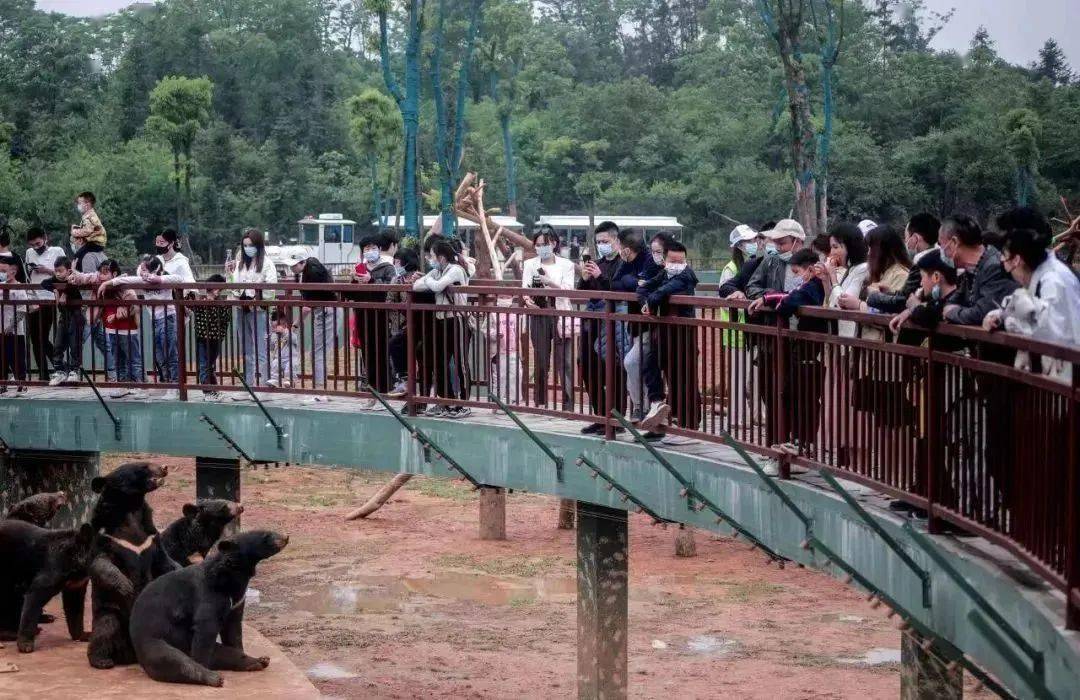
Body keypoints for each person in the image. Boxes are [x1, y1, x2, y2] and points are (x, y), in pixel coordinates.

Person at [984, 226, 1080, 381]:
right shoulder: (1037, 277)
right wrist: (999, 315)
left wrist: (1008, 321)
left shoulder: (1053, 280)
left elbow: (1048, 327)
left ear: (1016, 259)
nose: (1002, 262)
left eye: (1004, 256)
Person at [638, 240, 701, 438]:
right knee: (650, 363)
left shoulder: (686, 276)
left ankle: (689, 424)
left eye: (681, 261)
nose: (677, 265)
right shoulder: (664, 273)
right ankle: (658, 405)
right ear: (664, 260)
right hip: (663, 332)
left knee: (683, 377)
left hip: (683, 333)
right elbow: (643, 289)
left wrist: (652, 299)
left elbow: (662, 292)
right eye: (673, 261)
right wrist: (644, 304)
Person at [104, 256, 186, 399]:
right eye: (141, 268)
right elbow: (127, 280)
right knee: (159, 355)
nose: (141, 272)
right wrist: (108, 283)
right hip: (155, 319)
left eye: (144, 269)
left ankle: (175, 386)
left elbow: (179, 279)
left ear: (153, 270)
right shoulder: (142, 280)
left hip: (168, 318)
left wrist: (158, 280)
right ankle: (168, 384)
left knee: (170, 352)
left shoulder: (163, 277)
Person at [577, 221, 627, 434]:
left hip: (614, 325)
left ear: (616, 241)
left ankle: (616, 419)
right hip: (593, 323)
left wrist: (599, 276)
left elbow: (617, 290)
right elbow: (582, 292)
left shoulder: (623, 264)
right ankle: (600, 415)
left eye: (605, 241)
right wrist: (585, 278)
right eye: (598, 242)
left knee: (615, 370)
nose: (601, 245)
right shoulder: (596, 263)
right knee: (587, 366)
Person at [413, 240, 471, 418]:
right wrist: (432, 278)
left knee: (461, 363)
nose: (430, 259)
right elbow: (416, 286)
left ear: (442, 257)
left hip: (457, 320)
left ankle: (464, 402)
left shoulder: (455, 269)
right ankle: (447, 400)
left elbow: (436, 286)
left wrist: (430, 279)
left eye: (432, 256)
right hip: (441, 321)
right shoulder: (437, 271)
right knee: (439, 362)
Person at [612, 228, 661, 433]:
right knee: (638, 364)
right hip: (636, 326)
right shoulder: (627, 262)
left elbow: (644, 286)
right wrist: (631, 279)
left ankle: (644, 407)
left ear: (625, 248)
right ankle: (643, 407)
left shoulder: (649, 260)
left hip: (652, 324)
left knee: (632, 362)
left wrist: (631, 282)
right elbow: (615, 284)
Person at [521, 227, 576, 410]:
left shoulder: (566, 264)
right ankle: (540, 400)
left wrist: (549, 282)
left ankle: (568, 403)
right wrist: (529, 301)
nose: (541, 248)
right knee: (541, 359)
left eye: (544, 244)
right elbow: (525, 289)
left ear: (554, 243)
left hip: (561, 314)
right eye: (537, 245)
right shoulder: (530, 264)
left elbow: (568, 291)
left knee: (565, 362)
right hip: (539, 315)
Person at [938, 215, 1018, 327]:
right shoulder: (970, 270)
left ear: (954, 242)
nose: (941, 251)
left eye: (941, 244)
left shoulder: (995, 267)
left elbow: (982, 313)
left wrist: (952, 313)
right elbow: (951, 302)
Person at [226, 229, 278, 392]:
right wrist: (229, 273)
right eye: (245, 245)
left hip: (259, 310)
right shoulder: (241, 263)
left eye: (251, 245)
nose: (247, 248)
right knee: (247, 349)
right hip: (242, 308)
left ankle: (263, 385)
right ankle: (248, 385)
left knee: (261, 349)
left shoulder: (267, 263)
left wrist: (256, 299)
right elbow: (233, 283)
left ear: (258, 245)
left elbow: (271, 288)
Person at [349, 233, 397, 398]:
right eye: (366, 249)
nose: (370, 251)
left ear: (379, 249)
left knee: (381, 352)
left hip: (381, 316)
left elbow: (392, 289)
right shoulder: (360, 268)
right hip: (363, 315)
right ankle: (370, 389)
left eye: (373, 248)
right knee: (367, 353)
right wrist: (354, 281)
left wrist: (371, 280)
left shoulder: (387, 268)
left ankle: (383, 390)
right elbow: (353, 293)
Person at [865, 213, 939, 314]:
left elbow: (903, 302)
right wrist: (890, 293)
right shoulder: (941, 260)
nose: (905, 243)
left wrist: (874, 296)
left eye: (906, 238)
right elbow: (906, 296)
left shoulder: (922, 264)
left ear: (915, 238)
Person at [286, 254, 336, 398]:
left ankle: (320, 391)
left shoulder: (311, 273)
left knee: (318, 353)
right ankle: (320, 389)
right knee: (318, 352)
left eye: (294, 265)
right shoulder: (311, 267)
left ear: (302, 262)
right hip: (326, 311)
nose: (292, 268)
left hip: (326, 311)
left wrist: (295, 326)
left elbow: (307, 307)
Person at [96, 260, 144, 397]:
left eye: (105, 273)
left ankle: (137, 384)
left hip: (127, 328)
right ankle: (122, 384)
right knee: (118, 358)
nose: (101, 276)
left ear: (114, 274)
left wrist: (120, 312)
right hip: (111, 328)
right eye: (100, 273)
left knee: (132, 358)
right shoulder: (102, 287)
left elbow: (132, 301)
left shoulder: (123, 285)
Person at [24, 227, 66, 383]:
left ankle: (61, 366)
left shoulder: (57, 251)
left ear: (45, 238)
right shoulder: (29, 253)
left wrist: (47, 270)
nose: (36, 247)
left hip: (49, 298)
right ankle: (43, 374)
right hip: (33, 298)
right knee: (35, 338)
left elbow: (64, 273)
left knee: (42, 337)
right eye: (33, 244)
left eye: (38, 243)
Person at [817, 222, 869, 338]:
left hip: (851, 337)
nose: (832, 253)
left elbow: (842, 302)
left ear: (850, 247)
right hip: (838, 335)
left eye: (835, 247)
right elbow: (831, 303)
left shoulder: (863, 269)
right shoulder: (850, 269)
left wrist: (833, 277)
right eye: (831, 247)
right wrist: (825, 280)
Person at [40, 256, 85, 386]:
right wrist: (55, 289)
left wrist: (64, 292)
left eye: (61, 271)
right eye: (56, 271)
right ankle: (59, 371)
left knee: (74, 345)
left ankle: (74, 371)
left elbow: (72, 288)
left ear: (69, 271)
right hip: (63, 316)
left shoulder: (74, 280)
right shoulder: (56, 280)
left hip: (76, 315)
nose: (58, 274)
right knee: (58, 344)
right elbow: (44, 283)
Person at [386, 247, 420, 397]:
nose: (395, 264)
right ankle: (403, 381)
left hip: (419, 322)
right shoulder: (397, 279)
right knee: (395, 343)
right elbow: (390, 301)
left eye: (398, 261)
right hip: (401, 323)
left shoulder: (420, 277)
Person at [192, 274, 231, 401]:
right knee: (206, 365)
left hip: (213, 339)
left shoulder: (221, 304)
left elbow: (223, 319)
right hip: (205, 339)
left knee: (207, 365)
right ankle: (209, 391)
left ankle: (211, 390)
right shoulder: (203, 303)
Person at [746, 219, 807, 300]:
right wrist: (771, 295)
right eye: (776, 243)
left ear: (798, 242)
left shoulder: (812, 265)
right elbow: (751, 288)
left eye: (782, 243)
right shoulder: (770, 262)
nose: (777, 248)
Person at [0, 253, 31, 395]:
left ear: (13, 271)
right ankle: (2, 383)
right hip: (0, 329)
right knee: (2, 358)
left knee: (17, 358)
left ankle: (21, 383)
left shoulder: (19, 288)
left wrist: (11, 326)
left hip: (15, 331)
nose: (1, 274)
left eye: (3, 271)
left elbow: (22, 310)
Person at [719, 221, 773, 300]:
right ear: (739, 245)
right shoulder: (732, 268)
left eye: (755, 239)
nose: (754, 242)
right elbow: (725, 289)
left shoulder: (755, 260)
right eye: (748, 241)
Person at [70, 191, 107, 274]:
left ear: (87, 204)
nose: (78, 206)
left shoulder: (88, 217)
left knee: (77, 257)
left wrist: (74, 232)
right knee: (79, 254)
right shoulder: (91, 215)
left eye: (79, 203)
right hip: (97, 243)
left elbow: (87, 231)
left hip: (94, 243)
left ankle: (77, 274)